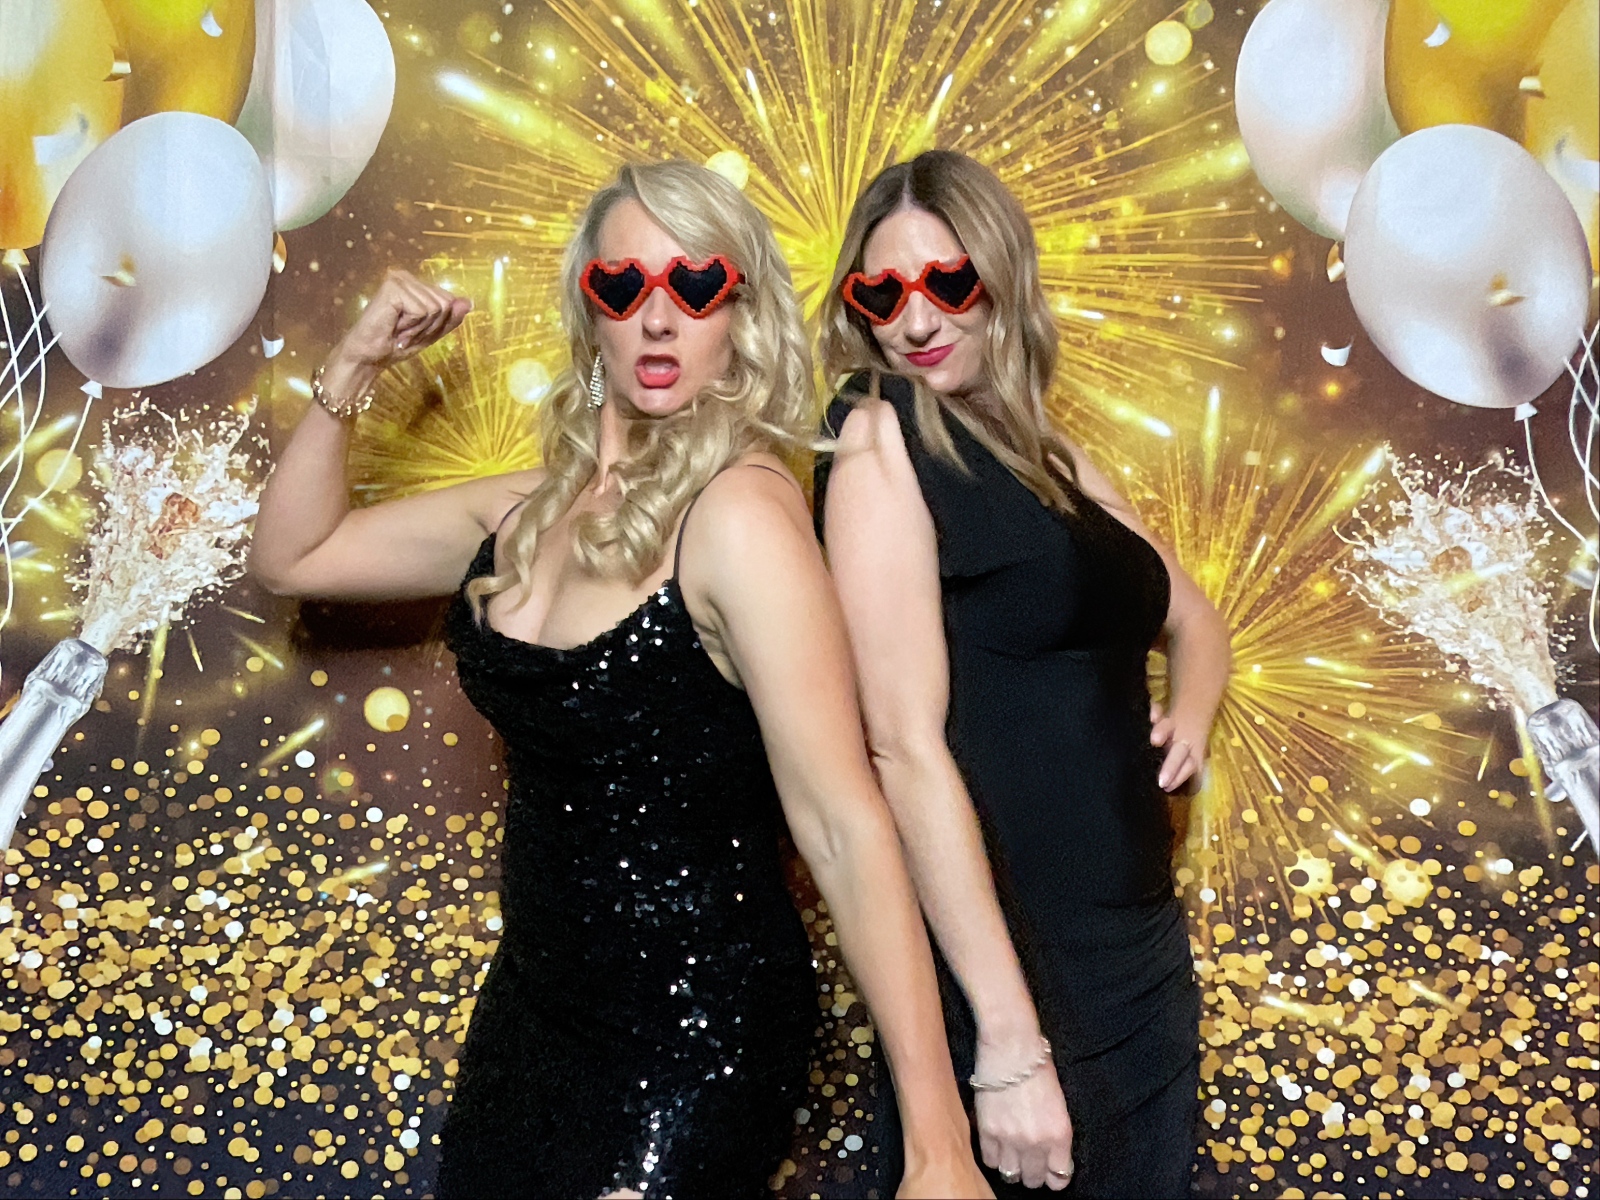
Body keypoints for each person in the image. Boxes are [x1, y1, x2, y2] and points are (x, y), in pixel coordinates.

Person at [250, 160, 991, 1200]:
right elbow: (294, 558)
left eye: (695, 285)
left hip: (694, 1035)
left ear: (739, 315)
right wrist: (355, 363)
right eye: (622, 285)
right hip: (531, 1018)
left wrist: (938, 1146)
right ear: (587, 309)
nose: (658, 318)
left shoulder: (739, 518)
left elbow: (842, 825)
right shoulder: (526, 514)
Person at [812, 150, 1232, 1198]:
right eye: (882, 294)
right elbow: (900, 748)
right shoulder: (877, 435)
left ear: (1002, 277)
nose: (915, 320)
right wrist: (1006, 1045)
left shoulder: (1054, 456)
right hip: (1016, 963)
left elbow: (1193, 618)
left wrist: (1188, 714)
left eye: (948, 282)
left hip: (1136, 949)